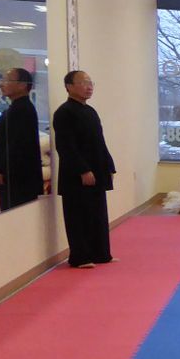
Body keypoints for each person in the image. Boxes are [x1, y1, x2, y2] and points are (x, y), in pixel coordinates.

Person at [52, 71, 116, 269]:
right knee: (78, 215)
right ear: (69, 87)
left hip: (97, 170)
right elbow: (65, 147)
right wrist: (82, 170)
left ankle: (101, 254)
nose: (89, 87)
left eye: (90, 82)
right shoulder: (64, 112)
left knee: (98, 214)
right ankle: (80, 257)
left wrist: (109, 165)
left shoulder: (90, 111)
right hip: (76, 175)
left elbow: (100, 142)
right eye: (83, 83)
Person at [0, 68, 44, 211]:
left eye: (7, 80)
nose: (1, 84)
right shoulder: (16, 107)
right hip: (15, 177)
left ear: (22, 85)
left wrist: (0, 170)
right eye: (1, 80)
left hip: (19, 178)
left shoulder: (23, 109)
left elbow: (16, 144)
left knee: (16, 214)